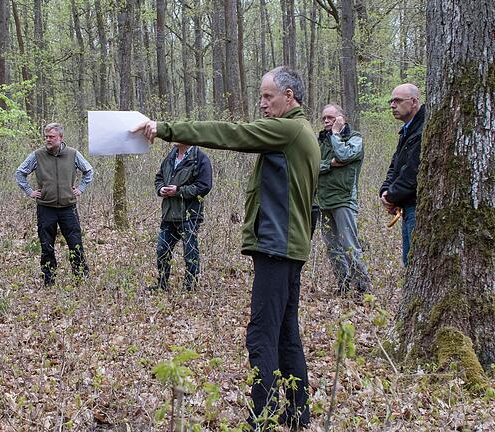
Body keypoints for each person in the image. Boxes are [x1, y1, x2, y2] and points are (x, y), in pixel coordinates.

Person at [133, 66, 317, 430]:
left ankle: (261, 417)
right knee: (285, 333)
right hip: (287, 246)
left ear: (289, 97)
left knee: (262, 333)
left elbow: (230, 134)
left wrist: (166, 128)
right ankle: (297, 415)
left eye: (268, 96)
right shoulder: (300, 131)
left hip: (278, 247)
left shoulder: (291, 129)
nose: (262, 103)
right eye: (261, 96)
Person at [15, 123, 94, 286]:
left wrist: (80, 189)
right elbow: (20, 173)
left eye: (51, 137)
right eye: (46, 136)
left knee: (75, 243)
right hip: (46, 207)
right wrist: (30, 191)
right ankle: (49, 280)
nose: (48, 140)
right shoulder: (37, 155)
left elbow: (89, 171)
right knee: (46, 245)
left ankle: (81, 278)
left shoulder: (73, 154)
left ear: (60, 138)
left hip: (68, 207)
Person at [317, 104, 371, 294]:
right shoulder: (320, 141)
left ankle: (363, 287)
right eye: (324, 118)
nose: (326, 121)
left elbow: (344, 154)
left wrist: (336, 134)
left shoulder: (354, 138)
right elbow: (312, 165)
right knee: (332, 247)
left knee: (349, 245)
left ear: (341, 118)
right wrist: (330, 164)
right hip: (322, 201)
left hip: (344, 199)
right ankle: (344, 285)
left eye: (331, 117)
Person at [152, 142, 213, 291]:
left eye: (178, 133)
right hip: (169, 214)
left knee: (190, 251)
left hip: (189, 214)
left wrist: (178, 191)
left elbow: (204, 186)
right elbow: (159, 177)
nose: (174, 138)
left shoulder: (200, 158)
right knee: (162, 249)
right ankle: (162, 284)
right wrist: (161, 190)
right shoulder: (170, 156)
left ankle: (189, 286)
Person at [380, 83, 425, 267]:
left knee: (415, 263)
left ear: (414, 102)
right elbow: (395, 166)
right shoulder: (407, 130)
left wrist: (391, 195)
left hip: (417, 207)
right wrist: (385, 191)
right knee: (409, 262)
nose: (392, 105)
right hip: (406, 206)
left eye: (397, 101)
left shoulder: (423, 129)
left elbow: (412, 174)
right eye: (391, 101)